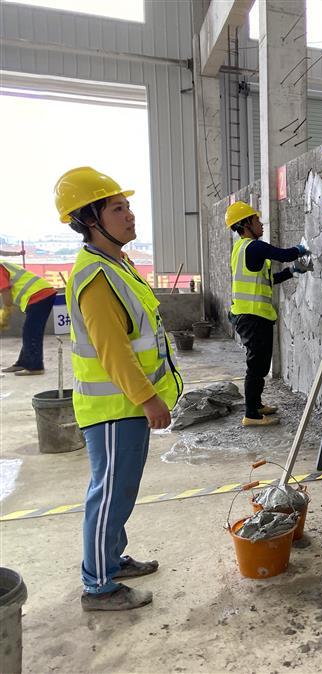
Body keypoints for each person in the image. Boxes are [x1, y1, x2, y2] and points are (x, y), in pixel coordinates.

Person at [54, 166, 183, 611]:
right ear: (91, 220)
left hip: (124, 406)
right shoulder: (96, 277)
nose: (129, 215)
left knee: (119, 490)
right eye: (117, 208)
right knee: (109, 493)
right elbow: (113, 351)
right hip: (114, 407)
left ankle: (110, 560)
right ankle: (99, 586)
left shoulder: (116, 265)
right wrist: (148, 399)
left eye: (127, 206)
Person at [226, 200, 312, 427]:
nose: (261, 223)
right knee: (256, 366)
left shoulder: (241, 250)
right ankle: (251, 415)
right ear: (245, 224)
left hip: (251, 316)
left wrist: (292, 271)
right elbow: (282, 254)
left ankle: (255, 405)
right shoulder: (253, 247)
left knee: (260, 364)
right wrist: (300, 249)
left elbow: (267, 281)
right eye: (256, 220)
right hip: (252, 317)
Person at [0, 259, 56, 375]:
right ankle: (23, 363)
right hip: (40, 294)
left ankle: (35, 367)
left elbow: (6, 295)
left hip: (39, 295)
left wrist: (5, 314)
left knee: (31, 332)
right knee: (29, 331)